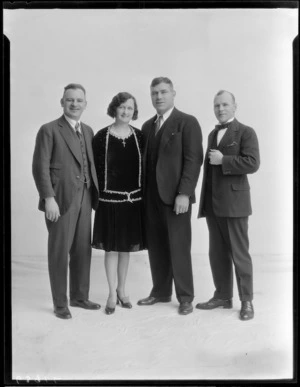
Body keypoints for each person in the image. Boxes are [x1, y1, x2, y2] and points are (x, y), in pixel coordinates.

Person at [32, 83, 100, 319]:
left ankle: (80, 297)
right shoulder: (49, 129)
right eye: (69, 100)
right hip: (60, 199)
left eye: (79, 100)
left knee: (82, 250)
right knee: (59, 251)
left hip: (86, 196)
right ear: (62, 102)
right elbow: (39, 167)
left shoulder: (89, 130)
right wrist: (48, 198)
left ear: (85, 104)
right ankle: (60, 303)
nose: (74, 104)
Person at [137, 77, 203, 315]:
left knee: (178, 247)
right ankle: (161, 292)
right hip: (150, 198)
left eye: (163, 92)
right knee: (156, 246)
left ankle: (185, 297)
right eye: (154, 93)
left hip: (176, 199)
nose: (159, 97)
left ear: (173, 93)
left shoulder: (187, 122)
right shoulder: (146, 126)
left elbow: (194, 160)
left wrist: (184, 193)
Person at [196, 90, 260, 321]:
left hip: (235, 205)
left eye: (224, 105)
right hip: (214, 205)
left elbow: (253, 163)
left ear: (235, 106)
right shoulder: (213, 133)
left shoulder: (246, 132)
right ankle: (222, 296)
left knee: (239, 254)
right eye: (216, 106)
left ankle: (247, 301)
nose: (220, 109)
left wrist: (225, 160)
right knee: (217, 253)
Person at [92, 92, 145, 315]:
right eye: (122, 107)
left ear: (134, 112)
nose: (125, 112)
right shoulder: (101, 136)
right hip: (109, 202)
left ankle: (123, 290)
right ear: (114, 108)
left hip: (133, 202)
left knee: (126, 250)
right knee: (111, 250)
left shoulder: (140, 137)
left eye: (130, 109)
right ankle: (111, 293)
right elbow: (93, 170)